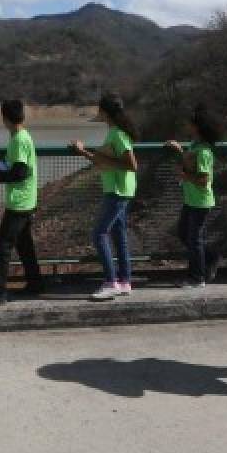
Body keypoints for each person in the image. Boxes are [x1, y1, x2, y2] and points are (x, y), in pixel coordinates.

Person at [0, 99, 44, 307]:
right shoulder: (18, 137)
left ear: (4, 118)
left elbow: (20, 172)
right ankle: (35, 283)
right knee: (24, 245)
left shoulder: (20, 139)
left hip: (20, 202)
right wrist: (1, 158)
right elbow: (17, 164)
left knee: (2, 247)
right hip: (24, 199)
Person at [69, 93, 140, 301]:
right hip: (119, 189)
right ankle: (125, 281)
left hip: (118, 191)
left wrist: (88, 153)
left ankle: (111, 282)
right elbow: (105, 161)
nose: (98, 113)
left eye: (100, 110)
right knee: (118, 234)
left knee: (99, 234)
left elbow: (131, 165)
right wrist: (84, 152)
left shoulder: (117, 134)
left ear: (105, 112)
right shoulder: (116, 132)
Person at [166, 105, 221, 288]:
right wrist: (179, 150)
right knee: (184, 234)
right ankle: (211, 256)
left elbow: (204, 180)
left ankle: (197, 278)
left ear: (197, 127)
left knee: (194, 238)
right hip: (191, 200)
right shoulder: (195, 146)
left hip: (200, 201)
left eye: (189, 123)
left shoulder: (204, 151)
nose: (186, 125)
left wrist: (185, 176)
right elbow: (190, 162)